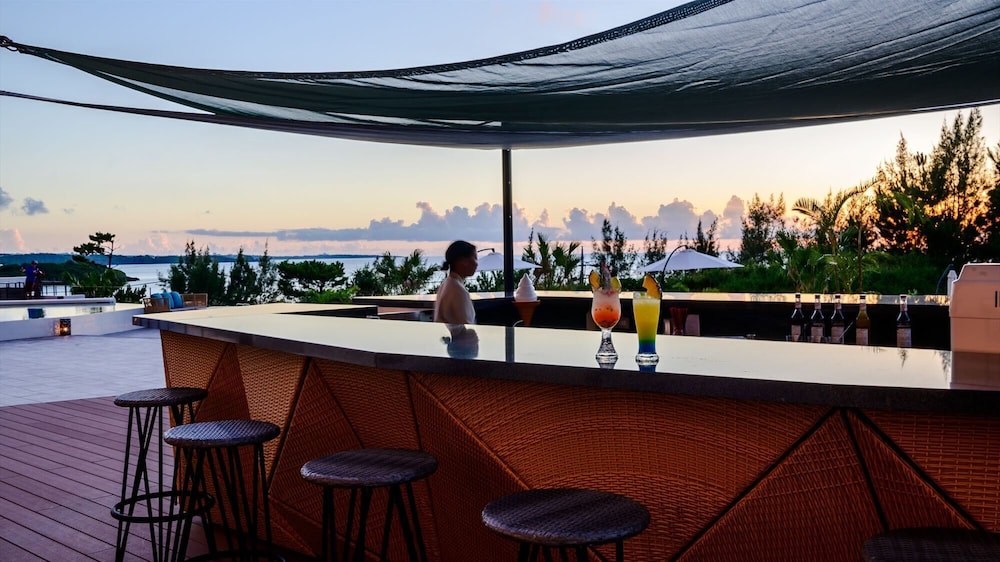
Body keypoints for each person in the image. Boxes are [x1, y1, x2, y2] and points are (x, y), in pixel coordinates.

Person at [434, 240, 477, 325]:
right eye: (475, 258)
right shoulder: (458, 290)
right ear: (463, 261)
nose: (476, 263)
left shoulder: (447, 284)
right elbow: (466, 326)